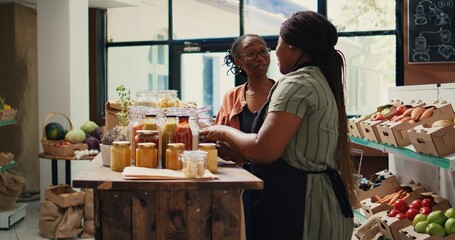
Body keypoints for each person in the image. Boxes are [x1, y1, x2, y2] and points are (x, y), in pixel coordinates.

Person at [200, 11, 356, 240]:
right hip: (314, 203)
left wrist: (221, 131)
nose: (272, 54)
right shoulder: (315, 79)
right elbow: (291, 148)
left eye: (275, 44)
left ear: (293, 46)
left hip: (303, 207)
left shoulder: (296, 84)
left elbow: (264, 150)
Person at [216, 34, 275, 240]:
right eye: (251, 53)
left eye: (263, 51)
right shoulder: (231, 97)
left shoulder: (281, 94)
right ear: (238, 61)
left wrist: (243, 154)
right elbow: (220, 143)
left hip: (275, 183)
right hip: (241, 183)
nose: (260, 58)